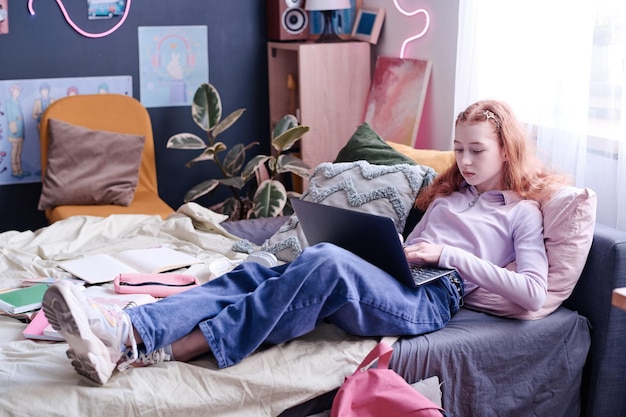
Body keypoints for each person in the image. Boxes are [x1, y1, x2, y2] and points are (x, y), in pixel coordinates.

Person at [42, 99, 566, 385]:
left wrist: (446, 254)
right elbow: (409, 252)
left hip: (434, 297)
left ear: (506, 150)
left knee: (326, 264)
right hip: (401, 277)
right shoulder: (449, 198)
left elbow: (532, 294)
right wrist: (398, 247)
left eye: (477, 150)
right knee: (257, 271)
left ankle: (162, 348)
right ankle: (131, 329)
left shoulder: (521, 213)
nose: (465, 161)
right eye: (459, 149)